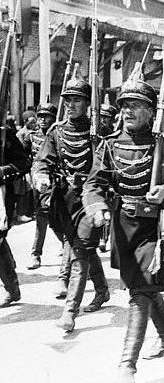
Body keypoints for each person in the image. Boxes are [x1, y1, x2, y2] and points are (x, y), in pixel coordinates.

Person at [82, 67, 164, 383]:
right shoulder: (110, 144)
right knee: (143, 286)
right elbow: (94, 183)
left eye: (136, 105)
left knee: (139, 293)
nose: (128, 111)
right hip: (123, 227)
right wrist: (98, 205)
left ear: (150, 110)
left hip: (154, 229)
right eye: (124, 105)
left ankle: (126, 365)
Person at [33, 66, 110, 331]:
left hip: (91, 199)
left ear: (88, 104)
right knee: (82, 246)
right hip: (64, 201)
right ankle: (102, 290)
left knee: (79, 251)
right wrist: (41, 176)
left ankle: (70, 311)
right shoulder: (56, 131)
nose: (70, 105)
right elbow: (42, 161)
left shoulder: (99, 132)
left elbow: (106, 167)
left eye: (76, 100)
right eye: (67, 100)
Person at [27, 103, 64, 270]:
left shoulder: (58, 135)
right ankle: (38, 253)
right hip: (37, 182)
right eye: (40, 116)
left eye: (46, 116)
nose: (42, 119)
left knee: (49, 216)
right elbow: (25, 158)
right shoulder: (31, 136)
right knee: (43, 216)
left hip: (54, 182)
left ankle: (37, 253)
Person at [0, 126, 31, 307]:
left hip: (1, 196)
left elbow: (23, 163)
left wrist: (3, 171)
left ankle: (11, 289)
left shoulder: (5, 133)